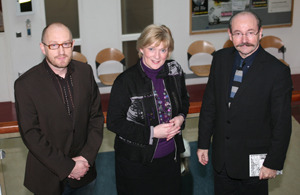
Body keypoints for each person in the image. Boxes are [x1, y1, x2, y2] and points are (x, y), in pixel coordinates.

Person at [197, 11, 292, 194]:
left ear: (260, 33)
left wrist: (273, 162)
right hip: (222, 157)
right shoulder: (220, 59)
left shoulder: (277, 71)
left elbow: (282, 123)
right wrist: (203, 143)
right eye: (238, 33)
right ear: (230, 35)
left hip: (255, 161)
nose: (244, 39)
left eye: (250, 32)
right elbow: (210, 104)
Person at [14, 23, 104, 195]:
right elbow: (31, 134)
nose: (61, 51)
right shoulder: (25, 84)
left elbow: (96, 118)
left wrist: (86, 158)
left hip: (85, 171)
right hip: (48, 176)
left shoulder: (85, 71)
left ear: (73, 44)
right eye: (54, 45)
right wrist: (68, 167)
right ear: (43, 48)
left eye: (66, 44)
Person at [107, 24, 190, 195]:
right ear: (141, 48)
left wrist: (181, 117)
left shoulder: (175, 70)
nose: (158, 56)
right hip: (136, 163)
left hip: (170, 159)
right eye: (152, 48)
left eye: (163, 50)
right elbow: (114, 123)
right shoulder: (125, 81)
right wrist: (152, 132)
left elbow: (183, 100)